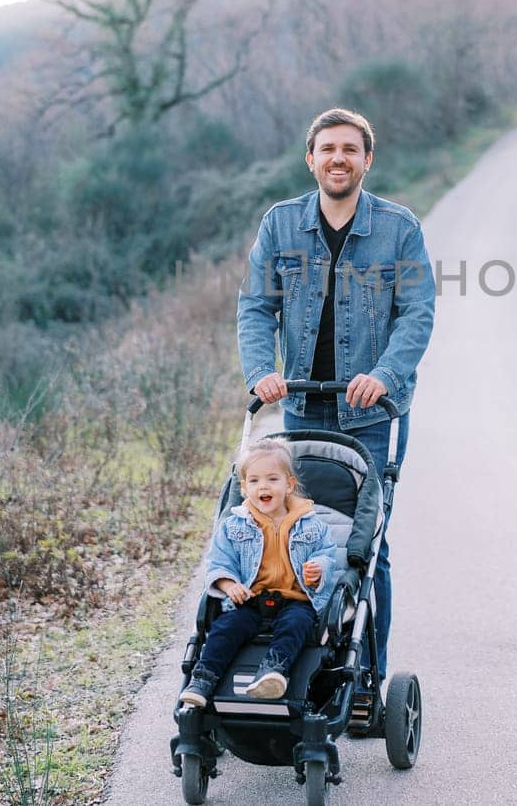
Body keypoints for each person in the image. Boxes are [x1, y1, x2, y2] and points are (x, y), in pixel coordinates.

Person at [237, 106, 435, 696]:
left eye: (350, 150)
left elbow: (416, 313)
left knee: (364, 547)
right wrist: (259, 372)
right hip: (299, 408)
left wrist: (386, 374)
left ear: (367, 160)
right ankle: (293, 666)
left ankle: (367, 676)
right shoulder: (280, 225)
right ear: (311, 159)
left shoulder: (398, 229)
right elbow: (255, 307)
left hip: (369, 416)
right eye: (328, 149)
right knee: (291, 534)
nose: (338, 159)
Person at [179, 437, 340, 706]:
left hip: (295, 599)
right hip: (250, 600)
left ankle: (273, 672)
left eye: (272, 479)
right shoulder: (233, 526)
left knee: (296, 625)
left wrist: (319, 569)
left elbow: (327, 554)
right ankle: (203, 679)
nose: (262, 486)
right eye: (254, 481)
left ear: (289, 485)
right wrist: (229, 585)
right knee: (225, 628)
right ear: (243, 488)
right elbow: (220, 562)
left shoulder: (312, 524)